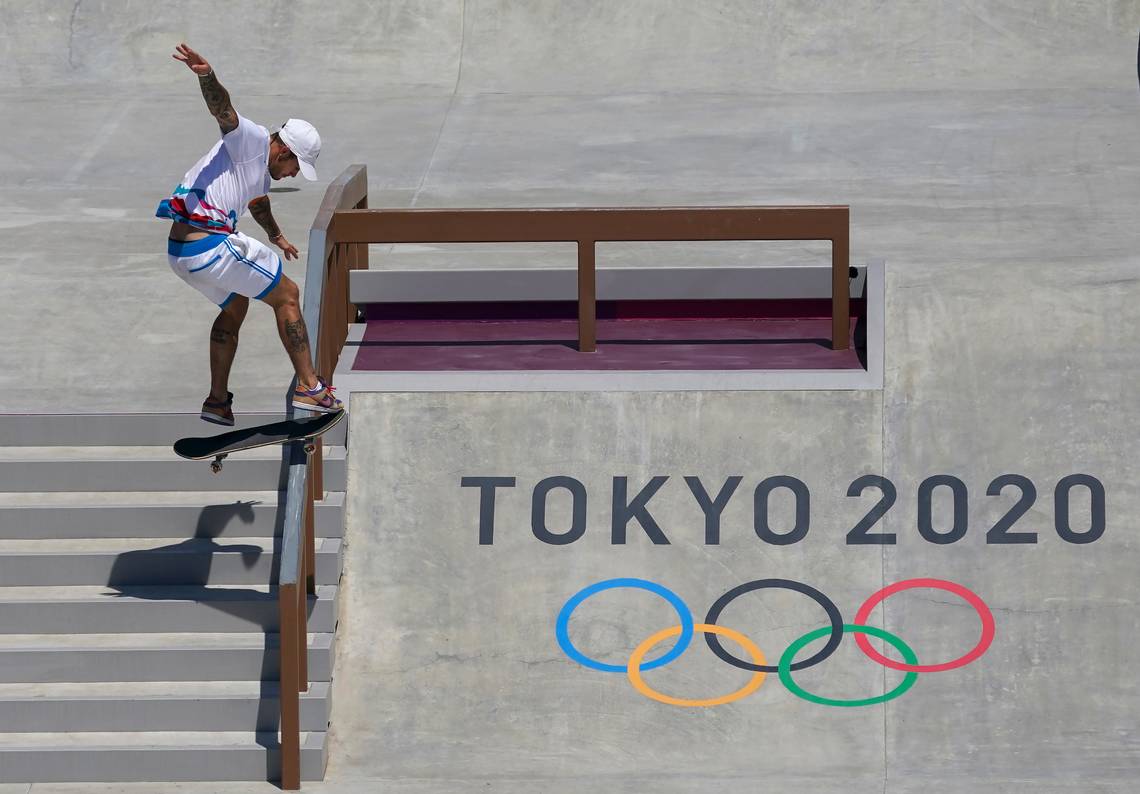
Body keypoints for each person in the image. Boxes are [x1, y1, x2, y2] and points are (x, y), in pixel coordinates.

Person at [158, 43, 342, 425]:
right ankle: (310, 386)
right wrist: (207, 76)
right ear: (283, 150)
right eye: (296, 166)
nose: (294, 175)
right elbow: (223, 111)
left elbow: (257, 202)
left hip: (181, 251)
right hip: (208, 245)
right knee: (287, 294)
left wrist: (276, 236)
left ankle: (217, 401)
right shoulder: (252, 141)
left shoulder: (258, 173)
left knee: (236, 306)